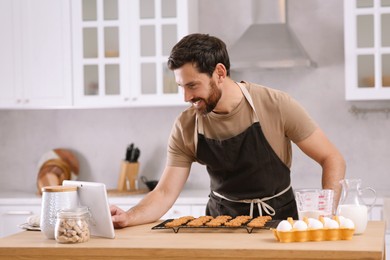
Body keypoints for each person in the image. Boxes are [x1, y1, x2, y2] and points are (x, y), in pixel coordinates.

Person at [110, 33, 346, 228]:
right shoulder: (186, 125)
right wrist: (128, 217)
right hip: (219, 224)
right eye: (181, 86)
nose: (186, 97)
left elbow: (331, 158)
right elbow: (163, 194)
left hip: (280, 223)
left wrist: (327, 215)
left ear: (220, 73)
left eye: (192, 85)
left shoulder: (275, 105)